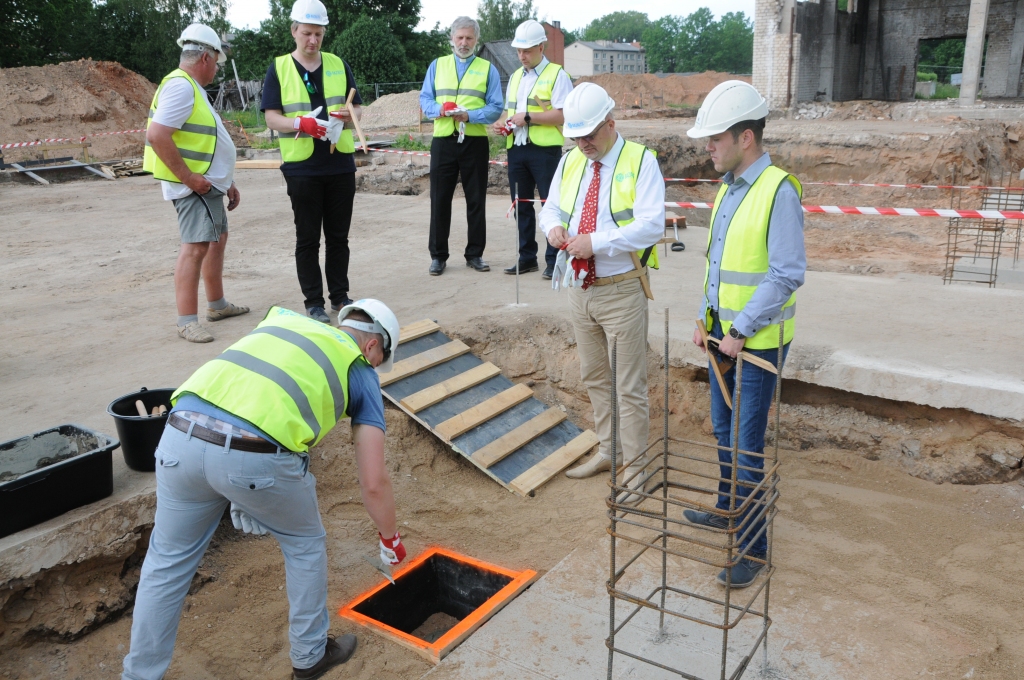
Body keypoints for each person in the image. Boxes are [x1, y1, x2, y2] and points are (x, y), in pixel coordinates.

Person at [121, 299, 406, 680]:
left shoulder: (284, 324)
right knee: (304, 544)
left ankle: (138, 676)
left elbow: (247, 401)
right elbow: (373, 482)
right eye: (378, 360)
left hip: (177, 437)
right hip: (251, 457)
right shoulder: (358, 368)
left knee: (166, 563)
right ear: (373, 346)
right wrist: (390, 537)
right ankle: (310, 657)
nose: (375, 368)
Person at [683, 81, 805, 589]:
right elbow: (720, 266)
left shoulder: (777, 190)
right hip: (723, 337)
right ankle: (727, 507)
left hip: (755, 343)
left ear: (746, 138)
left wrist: (738, 329)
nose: (707, 147)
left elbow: (786, 273)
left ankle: (753, 551)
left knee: (746, 442)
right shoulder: (729, 188)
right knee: (722, 428)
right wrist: (706, 320)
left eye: (715, 139)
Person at [539, 83, 664, 500]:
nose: (583, 144)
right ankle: (609, 451)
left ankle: (638, 471)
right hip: (580, 286)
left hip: (621, 287)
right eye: (575, 136)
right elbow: (551, 206)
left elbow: (651, 225)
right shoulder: (572, 160)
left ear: (611, 123)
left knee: (629, 386)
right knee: (595, 376)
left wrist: (598, 241)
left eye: (589, 135)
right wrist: (552, 227)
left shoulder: (641, 161)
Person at [144, 24, 249, 343]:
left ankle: (216, 305)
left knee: (217, 239)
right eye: (216, 60)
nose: (217, 67)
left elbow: (207, 139)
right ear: (205, 56)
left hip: (208, 185)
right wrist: (189, 178)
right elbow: (157, 135)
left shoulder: (191, 87)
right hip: (193, 187)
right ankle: (186, 321)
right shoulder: (181, 87)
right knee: (196, 247)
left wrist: (225, 180)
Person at [261, 0, 363, 324]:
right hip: (302, 167)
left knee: (338, 237)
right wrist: (298, 124)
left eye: (318, 34)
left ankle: (340, 296)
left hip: (339, 163)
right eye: (307, 33)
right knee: (307, 239)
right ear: (294, 31)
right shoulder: (278, 68)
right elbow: (271, 117)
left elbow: (357, 108)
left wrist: (349, 117)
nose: (313, 41)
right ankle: (314, 303)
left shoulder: (337, 64)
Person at [419, 16, 503, 276]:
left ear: (476, 40)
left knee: (476, 199)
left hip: (474, 141)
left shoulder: (487, 69)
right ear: (452, 39)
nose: (464, 43)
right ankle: (438, 256)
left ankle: (475, 254)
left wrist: (470, 116)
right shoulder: (437, 65)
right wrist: (440, 110)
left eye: (469, 38)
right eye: (460, 38)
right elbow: (425, 99)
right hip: (444, 140)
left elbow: (496, 107)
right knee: (439, 199)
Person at [492, 19, 572, 279]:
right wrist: (504, 121)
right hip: (517, 148)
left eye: (526, 51)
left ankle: (553, 260)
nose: (521, 56)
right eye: (518, 51)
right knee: (521, 205)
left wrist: (528, 118)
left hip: (545, 151)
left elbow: (562, 115)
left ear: (541, 46)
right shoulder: (515, 77)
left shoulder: (558, 75)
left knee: (552, 205)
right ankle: (527, 257)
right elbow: (510, 110)